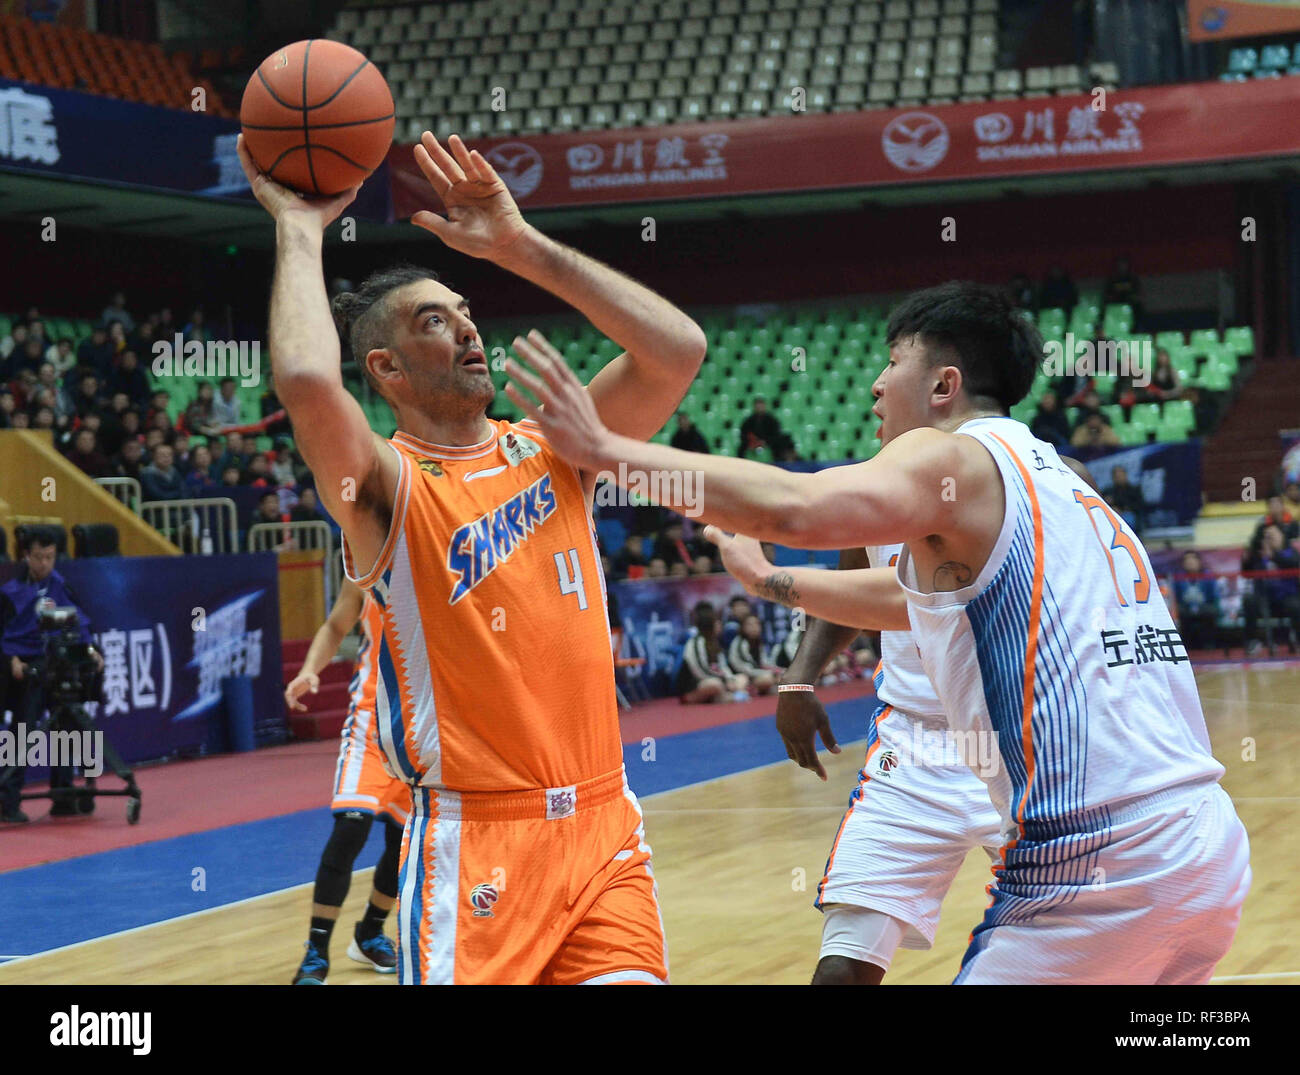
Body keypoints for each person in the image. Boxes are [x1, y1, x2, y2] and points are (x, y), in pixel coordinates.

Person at [514, 279, 1252, 984]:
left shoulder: (952, 456)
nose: (875, 383)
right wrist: (766, 581)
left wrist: (606, 452)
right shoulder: (1053, 479)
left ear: (943, 386)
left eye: (894, 362)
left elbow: (794, 509)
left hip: (1101, 858)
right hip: (1203, 843)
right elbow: (905, 599)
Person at [239, 129, 703, 985]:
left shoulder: (558, 444)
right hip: (479, 844)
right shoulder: (386, 484)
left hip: (605, 828)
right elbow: (308, 383)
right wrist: (299, 229)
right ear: (386, 368)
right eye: (433, 322)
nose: (464, 332)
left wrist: (523, 246)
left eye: (466, 315)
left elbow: (677, 352)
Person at [775, 546, 1002, 983]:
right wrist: (799, 677)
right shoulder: (875, 490)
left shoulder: (1048, 479)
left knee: (1086, 949)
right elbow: (850, 595)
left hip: (1020, 739)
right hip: (909, 751)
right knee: (840, 971)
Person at [284, 579, 410, 982]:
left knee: (402, 844)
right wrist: (309, 670)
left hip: (420, 731)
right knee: (350, 830)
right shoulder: (366, 566)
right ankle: (316, 953)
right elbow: (336, 626)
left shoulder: (447, 560)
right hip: (370, 726)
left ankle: (370, 933)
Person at [0, 531, 104, 822]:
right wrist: (12, 660)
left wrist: (92, 650)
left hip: (58, 663)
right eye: (38, 557)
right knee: (24, 731)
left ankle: (64, 795)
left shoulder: (61, 585)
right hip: (29, 669)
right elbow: (2, 636)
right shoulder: (10, 592)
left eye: (50, 557)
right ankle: (7, 801)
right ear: (25, 556)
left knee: (66, 724)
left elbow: (81, 623)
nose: (44, 563)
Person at [1241, 523, 1300, 655]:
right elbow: (1246, 572)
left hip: (1287, 597)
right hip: (1264, 597)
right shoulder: (1259, 555)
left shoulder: (1291, 552)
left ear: (1282, 536)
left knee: (1296, 605)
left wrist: (1273, 555)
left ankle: (1297, 639)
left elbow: (1293, 563)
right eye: (1267, 536)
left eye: (1273, 535)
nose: (1270, 539)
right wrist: (1247, 558)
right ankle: (1252, 641)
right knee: (1249, 600)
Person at [675, 602, 747, 703]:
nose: (720, 625)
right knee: (714, 684)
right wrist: (725, 681)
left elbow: (723, 666)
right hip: (695, 686)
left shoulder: (715, 642)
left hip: (718, 681)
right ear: (709, 624)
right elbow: (699, 671)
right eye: (716, 622)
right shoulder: (695, 643)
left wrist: (730, 679)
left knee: (741, 678)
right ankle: (723, 696)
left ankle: (724, 696)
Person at [1174, 550, 1221, 653]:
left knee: (1210, 612)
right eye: (1187, 560)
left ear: (1199, 561)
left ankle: (1209, 645)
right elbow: (1176, 597)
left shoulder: (1208, 576)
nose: (1190, 562)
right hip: (1185, 608)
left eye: (1192, 559)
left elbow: (1214, 596)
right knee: (1180, 614)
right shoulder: (1178, 577)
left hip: (1204, 607)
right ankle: (1185, 647)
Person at [725, 613, 780, 694]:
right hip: (740, 676)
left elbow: (764, 663)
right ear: (743, 627)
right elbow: (747, 669)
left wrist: (778, 670)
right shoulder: (740, 643)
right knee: (767, 679)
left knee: (782, 676)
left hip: (754, 674)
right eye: (750, 625)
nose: (754, 627)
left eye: (757, 624)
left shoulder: (758, 642)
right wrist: (770, 673)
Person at [1107, 465, 1146, 531]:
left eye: (1120, 475)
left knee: (1128, 519)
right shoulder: (1108, 491)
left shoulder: (1134, 490)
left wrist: (1123, 510)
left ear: (1125, 475)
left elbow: (1140, 505)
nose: (1119, 478)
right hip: (1113, 516)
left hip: (1131, 515)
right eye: (1116, 476)